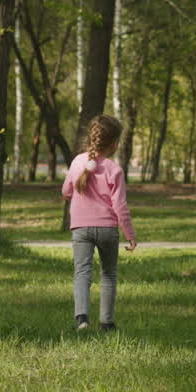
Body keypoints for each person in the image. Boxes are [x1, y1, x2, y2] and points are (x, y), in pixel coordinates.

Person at [62, 115, 136, 332]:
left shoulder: (77, 162)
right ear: (114, 143)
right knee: (109, 274)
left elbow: (66, 191)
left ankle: (82, 319)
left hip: (81, 228)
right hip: (107, 229)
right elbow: (120, 207)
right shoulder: (115, 170)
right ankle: (107, 323)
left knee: (82, 272)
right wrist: (130, 234)